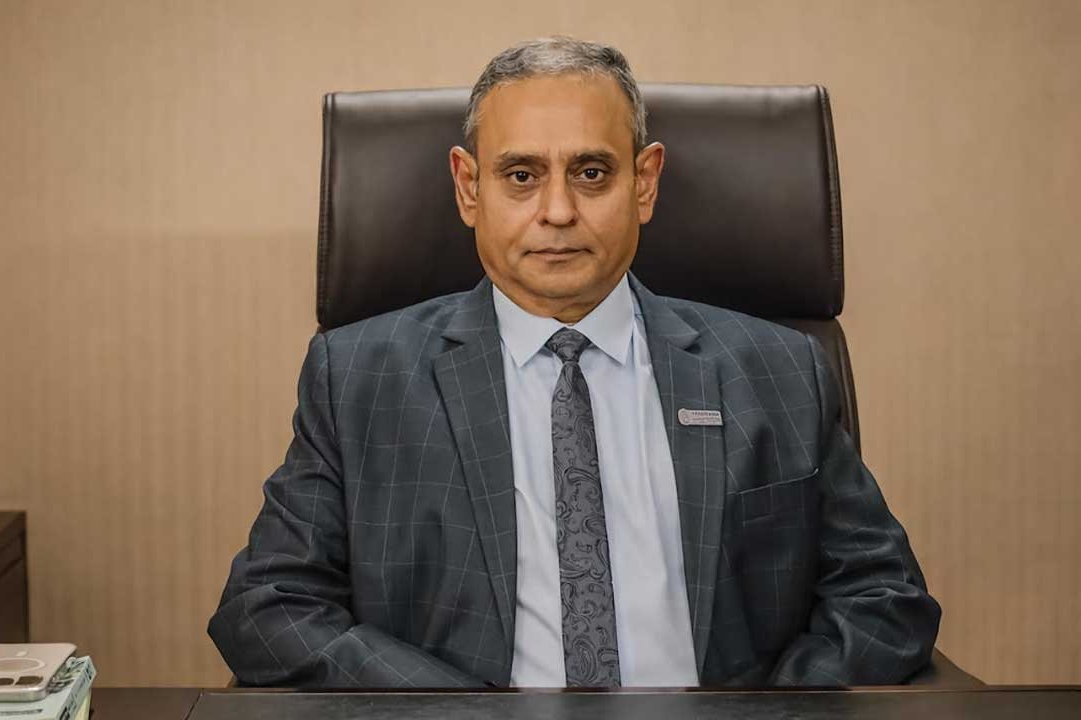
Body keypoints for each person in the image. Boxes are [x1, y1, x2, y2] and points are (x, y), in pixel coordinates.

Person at [208, 36, 940, 689]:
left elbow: (886, 598)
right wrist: (453, 714)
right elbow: (268, 607)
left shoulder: (779, 370)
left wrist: (763, 715)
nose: (557, 211)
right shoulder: (358, 378)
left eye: (591, 173)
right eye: (521, 176)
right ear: (469, 187)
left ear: (644, 182)